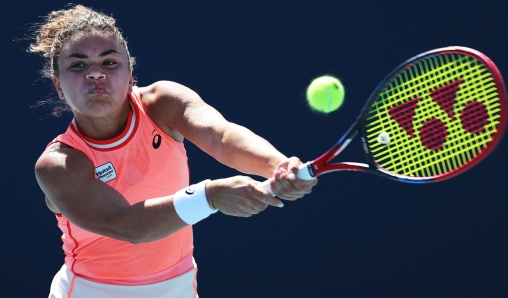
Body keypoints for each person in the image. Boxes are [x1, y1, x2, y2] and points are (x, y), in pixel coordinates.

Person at [30, 5, 317, 298]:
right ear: (59, 87)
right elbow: (127, 225)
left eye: (110, 62)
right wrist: (210, 196)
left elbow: (221, 135)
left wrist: (278, 165)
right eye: (78, 65)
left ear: (130, 75)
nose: (95, 74)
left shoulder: (162, 104)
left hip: (178, 285)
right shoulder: (58, 164)